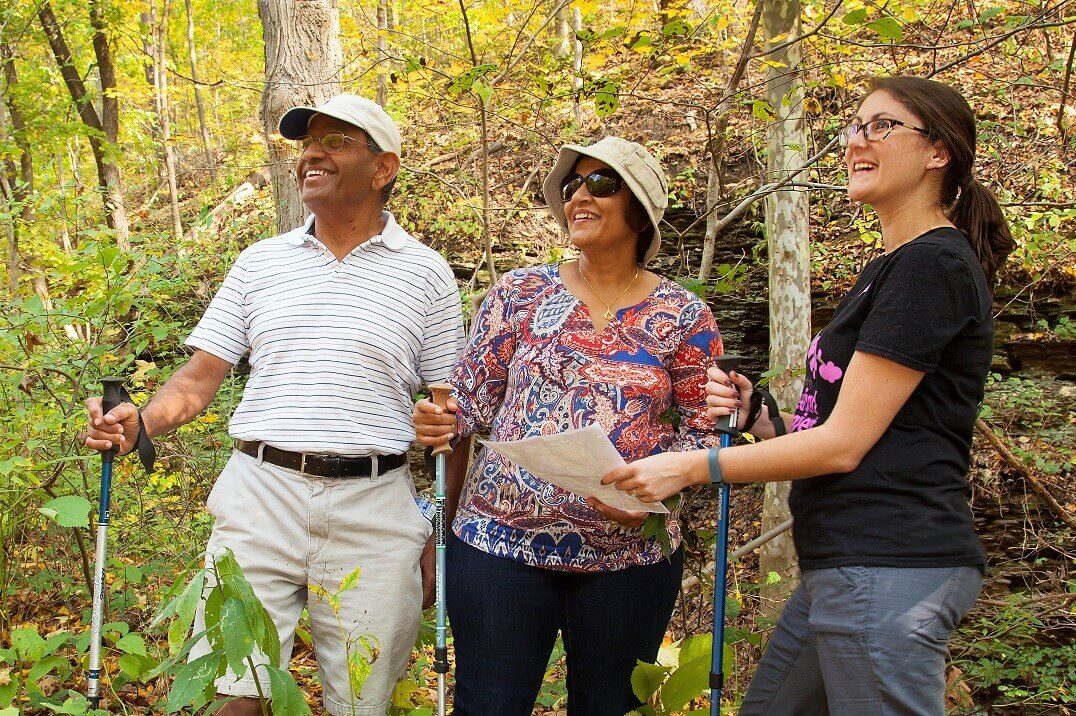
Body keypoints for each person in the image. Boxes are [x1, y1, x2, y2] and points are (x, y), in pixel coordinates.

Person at [602, 76, 1015, 715]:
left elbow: (844, 446)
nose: (856, 140)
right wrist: (763, 421)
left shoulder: (931, 265)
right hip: (846, 565)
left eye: (882, 126)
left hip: (890, 564)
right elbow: (861, 430)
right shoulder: (891, 267)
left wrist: (688, 467)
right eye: (853, 126)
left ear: (940, 153)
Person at [83, 94, 466, 716]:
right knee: (239, 690)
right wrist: (140, 423)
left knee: (366, 700)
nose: (312, 153)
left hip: (376, 504)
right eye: (307, 144)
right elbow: (199, 378)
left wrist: (438, 523)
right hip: (259, 495)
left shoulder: (426, 274)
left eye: (337, 142)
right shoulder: (260, 264)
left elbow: (451, 413)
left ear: (384, 167)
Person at [413, 136, 724, 715]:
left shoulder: (684, 314)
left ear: (639, 206)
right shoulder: (519, 293)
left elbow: (706, 436)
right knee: (488, 708)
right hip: (499, 548)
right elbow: (469, 405)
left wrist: (666, 484)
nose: (579, 195)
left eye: (600, 183)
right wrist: (438, 420)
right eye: (570, 185)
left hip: (630, 558)